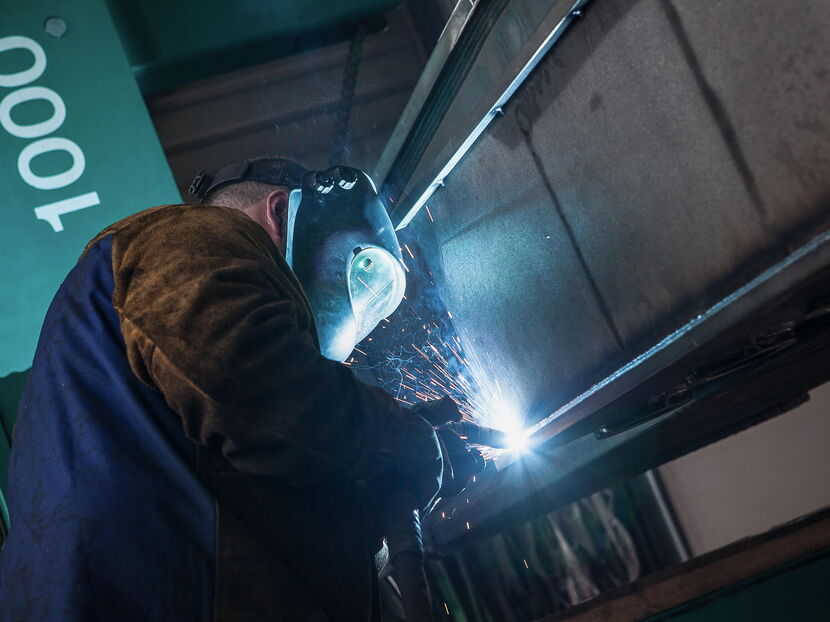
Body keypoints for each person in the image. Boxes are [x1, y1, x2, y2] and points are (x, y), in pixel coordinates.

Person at [0, 157, 479, 621]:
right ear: (279, 212)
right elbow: (247, 379)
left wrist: (381, 485)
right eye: (358, 271)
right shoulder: (190, 238)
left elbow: (265, 486)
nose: (356, 308)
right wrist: (398, 439)